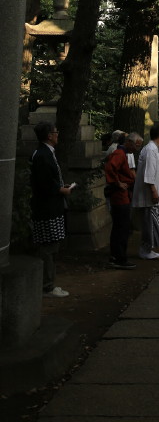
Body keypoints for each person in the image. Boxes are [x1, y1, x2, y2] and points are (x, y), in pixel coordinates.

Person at [30, 122, 76, 297]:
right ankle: (47, 285)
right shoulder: (42, 155)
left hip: (50, 206)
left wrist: (59, 187)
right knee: (48, 247)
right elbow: (44, 183)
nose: (58, 135)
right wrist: (61, 190)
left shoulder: (44, 153)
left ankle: (48, 283)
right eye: (56, 132)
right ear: (49, 135)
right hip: (47, 208)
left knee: (51, 245)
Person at [105, 132, 142, 269]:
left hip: (123, 194)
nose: (137, 148)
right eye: (137, 145)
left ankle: (117, 256)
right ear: (129, 142)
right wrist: (117, 183)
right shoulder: (119, 154)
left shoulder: (123, 154)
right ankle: (119, 257)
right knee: (122, 227)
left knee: (120, 227)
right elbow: (110, 168)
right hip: (120, 196)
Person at [132, 123, 159, 258]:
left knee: (152, 221)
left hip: (151, 193)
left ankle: (148, 249)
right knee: (149, 222)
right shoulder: (151, 150)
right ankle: (145, 250)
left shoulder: (151, 149)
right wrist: (153, 190)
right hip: (149, 194)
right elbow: (149, 173)